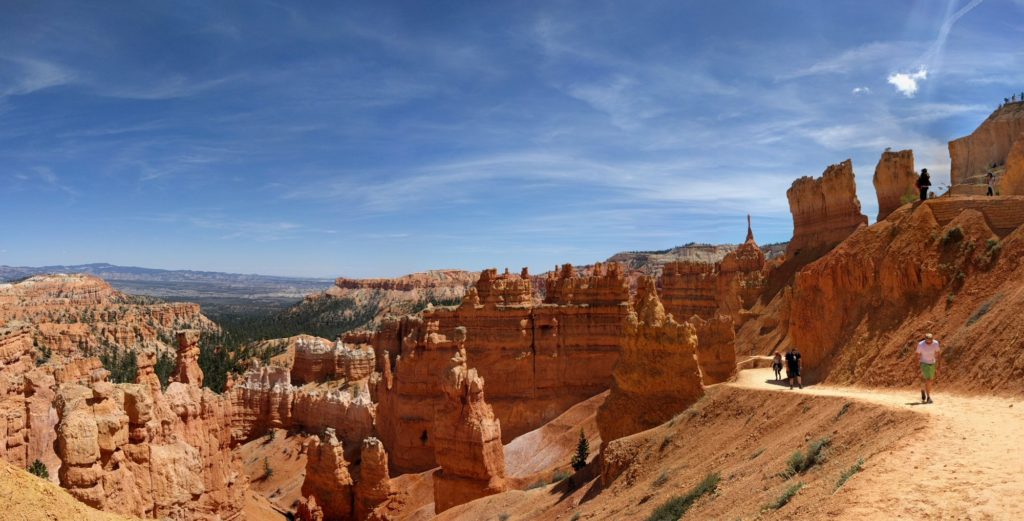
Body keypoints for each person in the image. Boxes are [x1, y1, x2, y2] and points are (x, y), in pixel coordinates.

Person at [916, 334, 940, 404]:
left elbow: (938, 353)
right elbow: (917, 355)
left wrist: (939, 364)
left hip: (932, 363)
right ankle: (928, 397)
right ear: (925, 340)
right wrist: (916, 365)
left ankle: (923, 389)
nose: (929, 343)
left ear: (932, 339)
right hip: (924, 363)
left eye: (930, 341)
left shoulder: (935, 343)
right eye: (927, 342)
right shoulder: (921, 345)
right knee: (928, 380)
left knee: (930, 380)